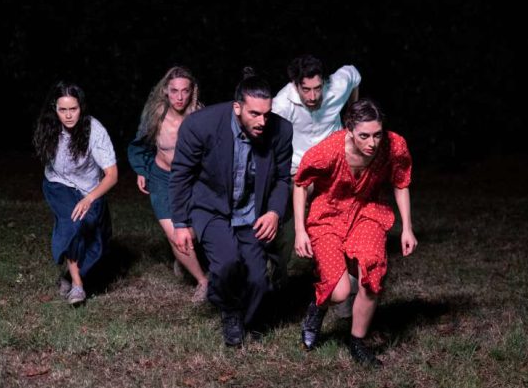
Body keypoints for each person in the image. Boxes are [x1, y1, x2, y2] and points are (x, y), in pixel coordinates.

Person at [169, 68, 293, 346]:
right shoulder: (201, 125)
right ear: (237, 107)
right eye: (254, 114)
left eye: (267, 114)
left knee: (258, 280)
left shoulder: (281, 130)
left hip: (252, 211)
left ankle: (252, 317)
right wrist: (180, 223)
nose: (262, 121)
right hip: (212, 207)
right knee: (226, 264)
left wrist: (274, 212)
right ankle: (230, 311)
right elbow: (181, 175)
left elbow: (283, 179)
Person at [293, 98, 417, 366]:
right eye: (364, 136)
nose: (372, 143)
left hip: (368, 211)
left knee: (372, 275)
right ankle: (318, 307)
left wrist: (407, 228)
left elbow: (401, 183)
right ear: (349, 130)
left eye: (377, 134)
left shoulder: (394, 145)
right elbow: (301, 184)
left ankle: (357, 341)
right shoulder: (328, 150)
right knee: (338, 292)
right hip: (329, 214)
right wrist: (300, 230)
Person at [271, 54, 361, 315]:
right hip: (296, 169)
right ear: (295, 85)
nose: (312, 96)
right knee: (284, 223)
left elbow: (354, 75)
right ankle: (276, 281)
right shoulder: (281, 103)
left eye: (317, 88)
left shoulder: (338, 85)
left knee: (342, 223)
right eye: (306, 89)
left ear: (325, 83)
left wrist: (352, 115)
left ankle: (343, 291)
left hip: (331, 169)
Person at [127, 66, 209, 303]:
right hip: (163, 178)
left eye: (185, 91)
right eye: (174, 91)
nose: (179, 97)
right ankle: (203, 281)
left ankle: (182, 258)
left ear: (192, 91)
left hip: (192, 179)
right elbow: (140, 142)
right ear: (165, 90)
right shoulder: (156, 115)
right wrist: (142, 170)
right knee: (176, 236)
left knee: (193, 232)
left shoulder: (200, 115)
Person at [33, 81, 118, 305]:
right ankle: (78, 286)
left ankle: (69, 277)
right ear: (55, 109)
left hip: (89, 188)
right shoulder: (49, 127)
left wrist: (89, 198)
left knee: (99, 245)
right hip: (58, 184)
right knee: (73, 223)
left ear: (81, 107)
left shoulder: (94, 130)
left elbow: (112, 175)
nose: (68, 115)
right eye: (62, 109)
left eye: (73, 109)